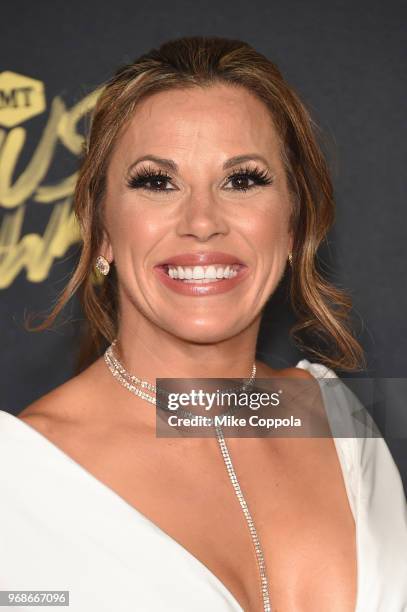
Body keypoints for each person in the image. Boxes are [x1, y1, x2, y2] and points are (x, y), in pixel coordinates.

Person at [0, 35, 406, 612]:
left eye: (242, 180)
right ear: (102, 230)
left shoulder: (332, 416)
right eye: (156, 182)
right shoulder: (19, 477)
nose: (202, 221)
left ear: (292, 225)